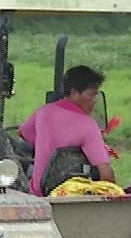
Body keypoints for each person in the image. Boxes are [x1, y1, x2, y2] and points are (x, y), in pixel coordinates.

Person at [16, 64, 116, 195]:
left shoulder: (43, 112)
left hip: (38, 193)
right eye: (91, 95)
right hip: (69, 198)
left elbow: (23, 133)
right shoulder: (88, 125)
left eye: (96, 95)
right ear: (74, 92)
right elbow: (106, 174)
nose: (94, 100)